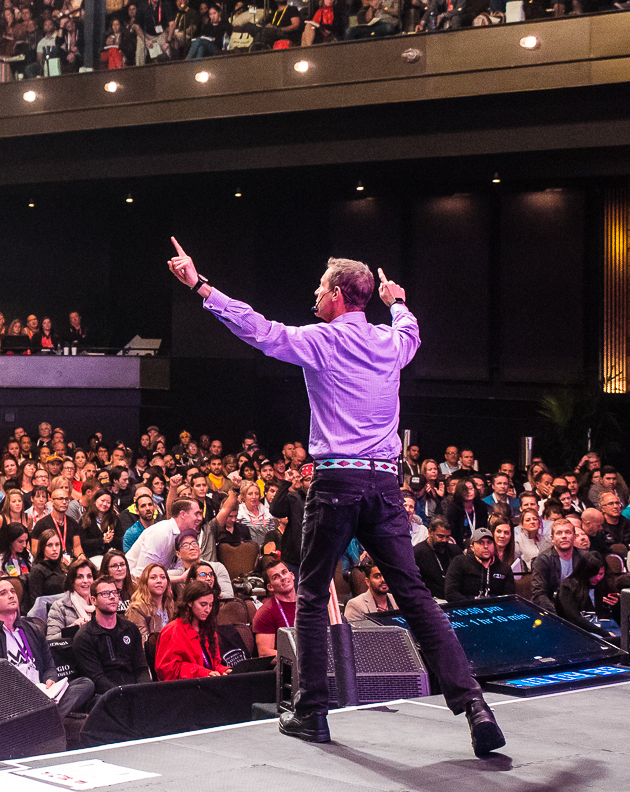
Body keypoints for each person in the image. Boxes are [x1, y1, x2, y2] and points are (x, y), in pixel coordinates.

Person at [170, 243, 500, 752]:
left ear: (340, 296)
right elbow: (411, 330)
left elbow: (258, 329)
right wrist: (397, 300)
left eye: (322, 288)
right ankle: (474, 705)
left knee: (310, 592)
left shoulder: (322, 340)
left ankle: (312, 711)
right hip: (385, 484)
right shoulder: (392, 343)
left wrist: (199, 285)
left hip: (337, 481)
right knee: (414, 597)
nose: (315, 295)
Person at [0, 577, 94, 714]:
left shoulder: (33, 630)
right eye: (3, 593)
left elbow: (49, 666)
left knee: (85, 684)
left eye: (12, 591)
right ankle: (49, 716)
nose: (11, 595)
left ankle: (44, 716)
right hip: (13, 699)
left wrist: (50, 680)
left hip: (42, 693)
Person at [69, 577, 147, 694]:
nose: (112, 597)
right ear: (93, 600)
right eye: (105, 593)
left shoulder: (131, 629)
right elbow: (97, 679)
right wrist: (123, 694)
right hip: (105, 697)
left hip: (134, 691)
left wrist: (143, 690)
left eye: (115, 592)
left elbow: (141, 668)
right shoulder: (84, 637)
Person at [155, 580, 230, 680]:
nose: (207, 610)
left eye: (210, 605)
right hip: (185, 689)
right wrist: (201, 672)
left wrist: (223, 670)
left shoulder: (208, 628)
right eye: (203, 604)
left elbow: (214, 664)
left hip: (207, 684)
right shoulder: (173, 630)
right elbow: (166, 670)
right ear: (190, 603)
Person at [124, 499, 203, 574]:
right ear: (183, 514)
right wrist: (180, 579)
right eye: (196, 514)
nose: (200, 518)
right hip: (132, 583)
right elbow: (142, 575)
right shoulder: (159, 533)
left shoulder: (182, 534)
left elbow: (178, 569)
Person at [444, 527, 516, 603]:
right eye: (480, 542)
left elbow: (509, 597)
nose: (486, 546)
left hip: (495, 609)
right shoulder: (459, 562)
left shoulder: (504, 568)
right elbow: (450, 593)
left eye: (489, 542)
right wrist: (473, 603)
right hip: (467, 608)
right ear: (472, 547)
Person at [250, 556, 297, 657]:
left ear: (292, 575)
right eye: (276, 577)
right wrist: (300, 657)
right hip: (287, 668)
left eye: (284, 572)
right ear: (270, 587)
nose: (283, 578)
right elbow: (265, 653)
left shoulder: (307, 603)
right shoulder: (266, 612)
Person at [45, 559, 98, 643]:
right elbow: (50, 640)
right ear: (72, 581)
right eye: (79, 577)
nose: (85, 581)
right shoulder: (59, 606)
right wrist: (73, 629)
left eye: (89, 576)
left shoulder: (101, 603)